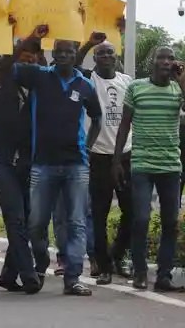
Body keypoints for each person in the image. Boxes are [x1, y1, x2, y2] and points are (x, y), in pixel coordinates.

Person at [5, 36, 102, 296]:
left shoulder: (84, 84)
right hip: (43, 164)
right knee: (36, 223)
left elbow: (97, 118)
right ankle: (41, 263)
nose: (63, 56)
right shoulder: (39, 76)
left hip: (76, 165)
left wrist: (88, 147)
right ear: (53, 53)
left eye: (68, 52)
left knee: (76, 223)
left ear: (75, 54)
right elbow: (9, 67)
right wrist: (29, 38)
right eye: (58, 51)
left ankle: (73, 278)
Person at [113, 46, 185, 292]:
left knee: (170, 223)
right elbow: (124, 125)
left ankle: (163, 277)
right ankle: (140, 273)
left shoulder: (177, 89)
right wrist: (116, 161)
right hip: (142, 164)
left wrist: (182, 82)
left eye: (170, 58)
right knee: (141, 218)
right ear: (152, 62)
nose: (166, 61)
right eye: (161, 57)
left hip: (170, 165)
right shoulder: (136, 88)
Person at [74, 37, 134, 285]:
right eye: (101, 53)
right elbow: (75, 65)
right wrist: (89, 44)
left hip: (126, 154)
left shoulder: (127, 81)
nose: (107, 56)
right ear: (95, 58)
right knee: (99, 213)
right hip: (98, 155)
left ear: (116, 57)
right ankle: (104, 266)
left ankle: (117, 255)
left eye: (110, 52)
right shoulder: (88, 80)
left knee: (132, 211)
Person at [0, 29, 45, 295]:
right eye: (23, 56)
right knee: (15, 219)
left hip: (30, 163)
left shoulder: (41, 88)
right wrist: (25, 38)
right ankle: (28, 274)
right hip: (4, 162)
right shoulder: (3, 81)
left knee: (29, 221)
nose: (28, 60)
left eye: (33, 57)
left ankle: (8, 275)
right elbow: (5, 65)